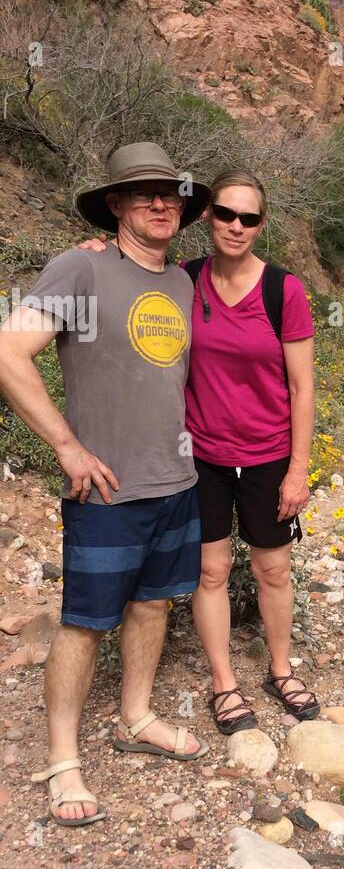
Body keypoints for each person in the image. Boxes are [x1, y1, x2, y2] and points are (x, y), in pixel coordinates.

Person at [0, 143, 211, 827]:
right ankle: (63, 760)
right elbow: (8, 351)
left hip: (174, 480)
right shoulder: (80, 270)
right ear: (115, 205)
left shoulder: (180, 282)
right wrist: (67, 446)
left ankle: (135, 717)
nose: (160, 203)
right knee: (86, 623)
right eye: (143, 194)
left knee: (153, 606)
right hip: (106, 490)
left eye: (170, 193)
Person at [80, 169, 318, 735]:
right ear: (208, 217)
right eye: (226, 214)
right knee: (211, 570)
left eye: (250, 217)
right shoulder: (182, 279)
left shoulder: (283, 291)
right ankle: (224, 683)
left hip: (268, 454)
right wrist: (95, 252)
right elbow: (126, 275)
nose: (237, 226)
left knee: (273, 567)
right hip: (201, 454)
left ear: (262, 225)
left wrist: (299, 469)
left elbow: (303, 386)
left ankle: (280, 670)